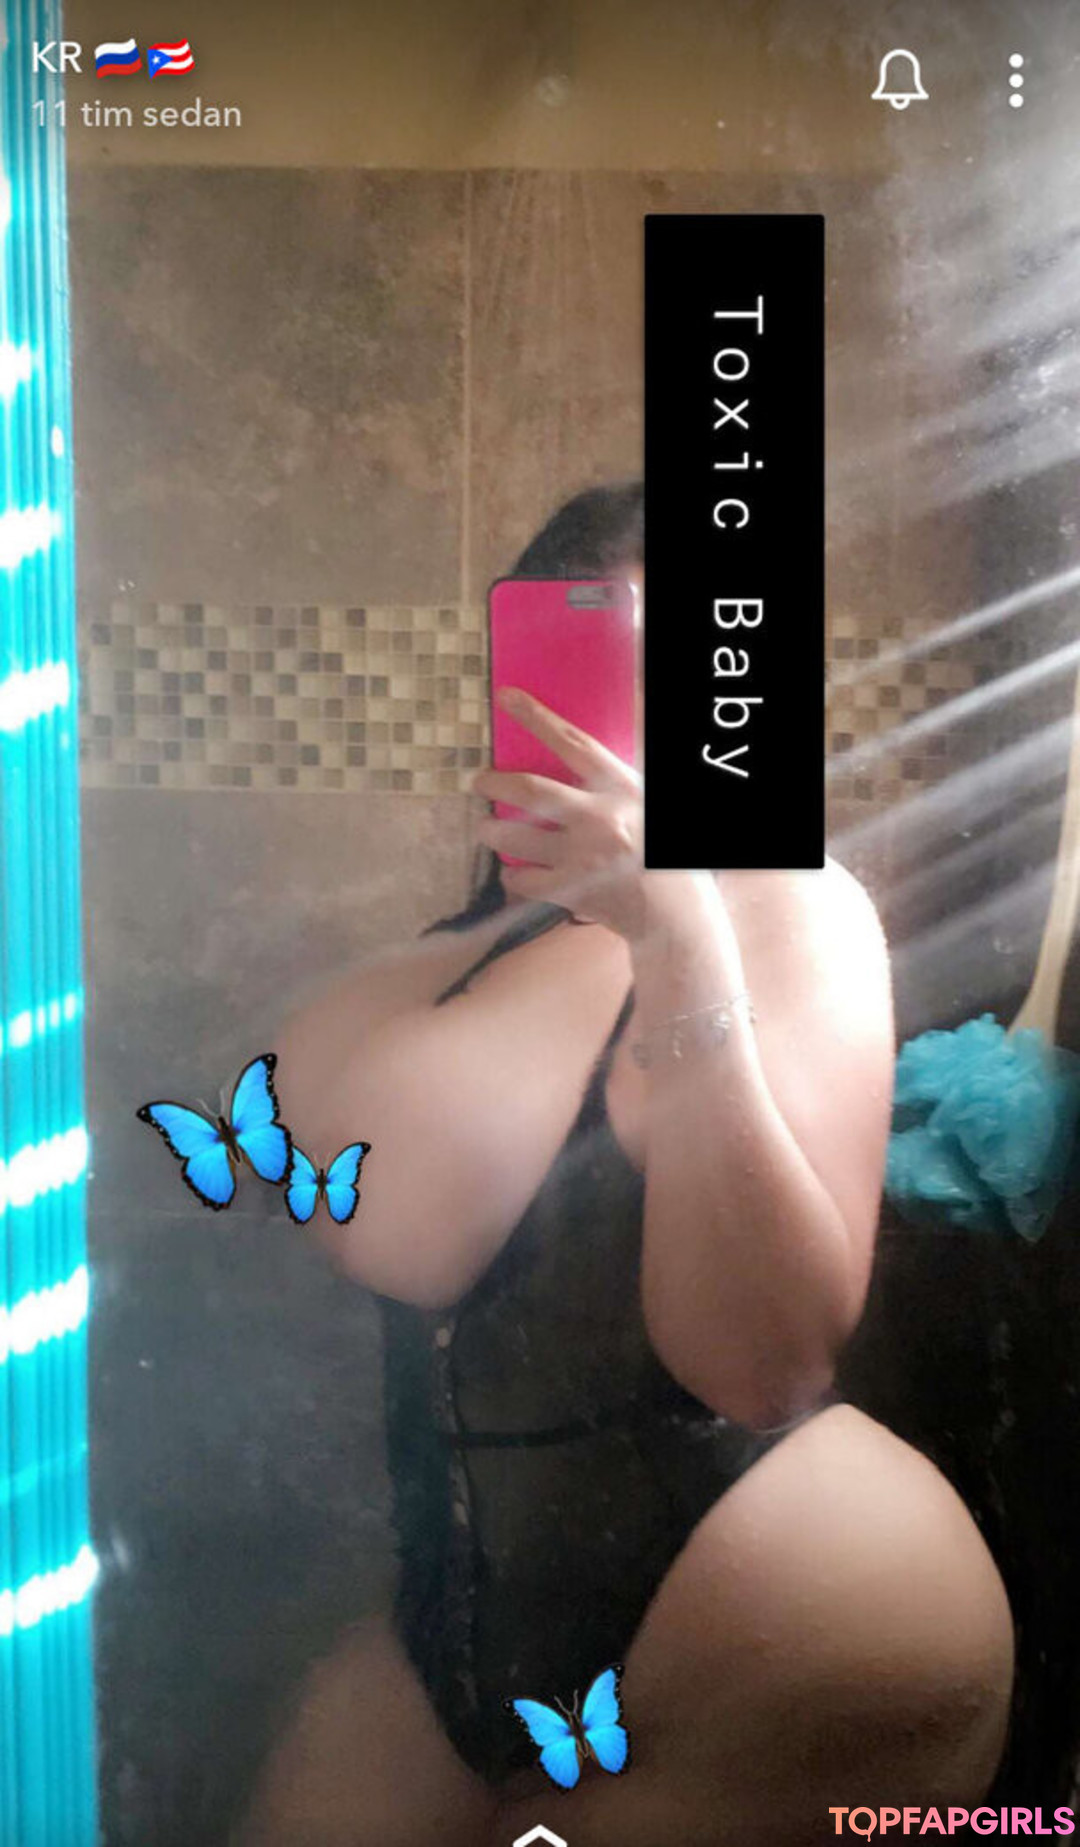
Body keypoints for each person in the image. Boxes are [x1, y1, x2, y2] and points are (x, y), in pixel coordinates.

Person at [237, 483, 1015, 1847]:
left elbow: (761, 1362)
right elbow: (377, 1228)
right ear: (522, 685)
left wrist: (676, 940)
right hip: (464, 1619)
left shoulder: (792, 908)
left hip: (785, 1635)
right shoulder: (452, 963)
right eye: (611, 667)